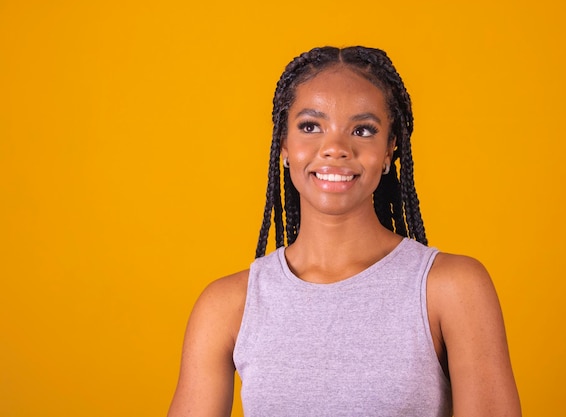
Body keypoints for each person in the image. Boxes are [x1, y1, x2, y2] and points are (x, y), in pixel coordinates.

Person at [167, 46, 522, 417]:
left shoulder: (452, 289)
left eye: (363, 130)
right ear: (284, 146)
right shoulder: (227, 306)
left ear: (389, 150)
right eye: (310, 126)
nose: (335, 148)